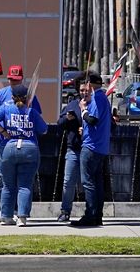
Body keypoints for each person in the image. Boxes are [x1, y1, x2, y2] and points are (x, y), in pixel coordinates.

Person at [0, 84, 48, 226]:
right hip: (29, 148)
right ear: (27, 97)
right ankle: (22, 218)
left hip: (10, 146)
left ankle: (6, 216)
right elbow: (44, 129)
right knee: (25, 185)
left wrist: (3, 132)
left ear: (12, 97)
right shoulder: (31, 111)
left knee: (8, 185)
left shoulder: (7, 108)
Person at [70, 70, 111, 227]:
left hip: (92, 146)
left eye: (87, 84)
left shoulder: (97, 99)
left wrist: (83, 109)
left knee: (88, 182)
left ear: (92, 84)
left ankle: (91, 214)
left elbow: (92, 119)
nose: (85, 87)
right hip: (100, 146)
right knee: (97, 182)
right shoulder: (103, 98)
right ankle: (97, 215)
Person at [56, 75, 88, 222]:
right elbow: (59, 123)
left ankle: (91, 211)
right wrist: (67, 119)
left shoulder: (94, 105)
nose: (84, 93)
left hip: (90, 150)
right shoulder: (72, 105)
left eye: (87, 90)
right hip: (73, 149)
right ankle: (65, 211)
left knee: (88, 183)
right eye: (82, 90)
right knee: (68, 182)